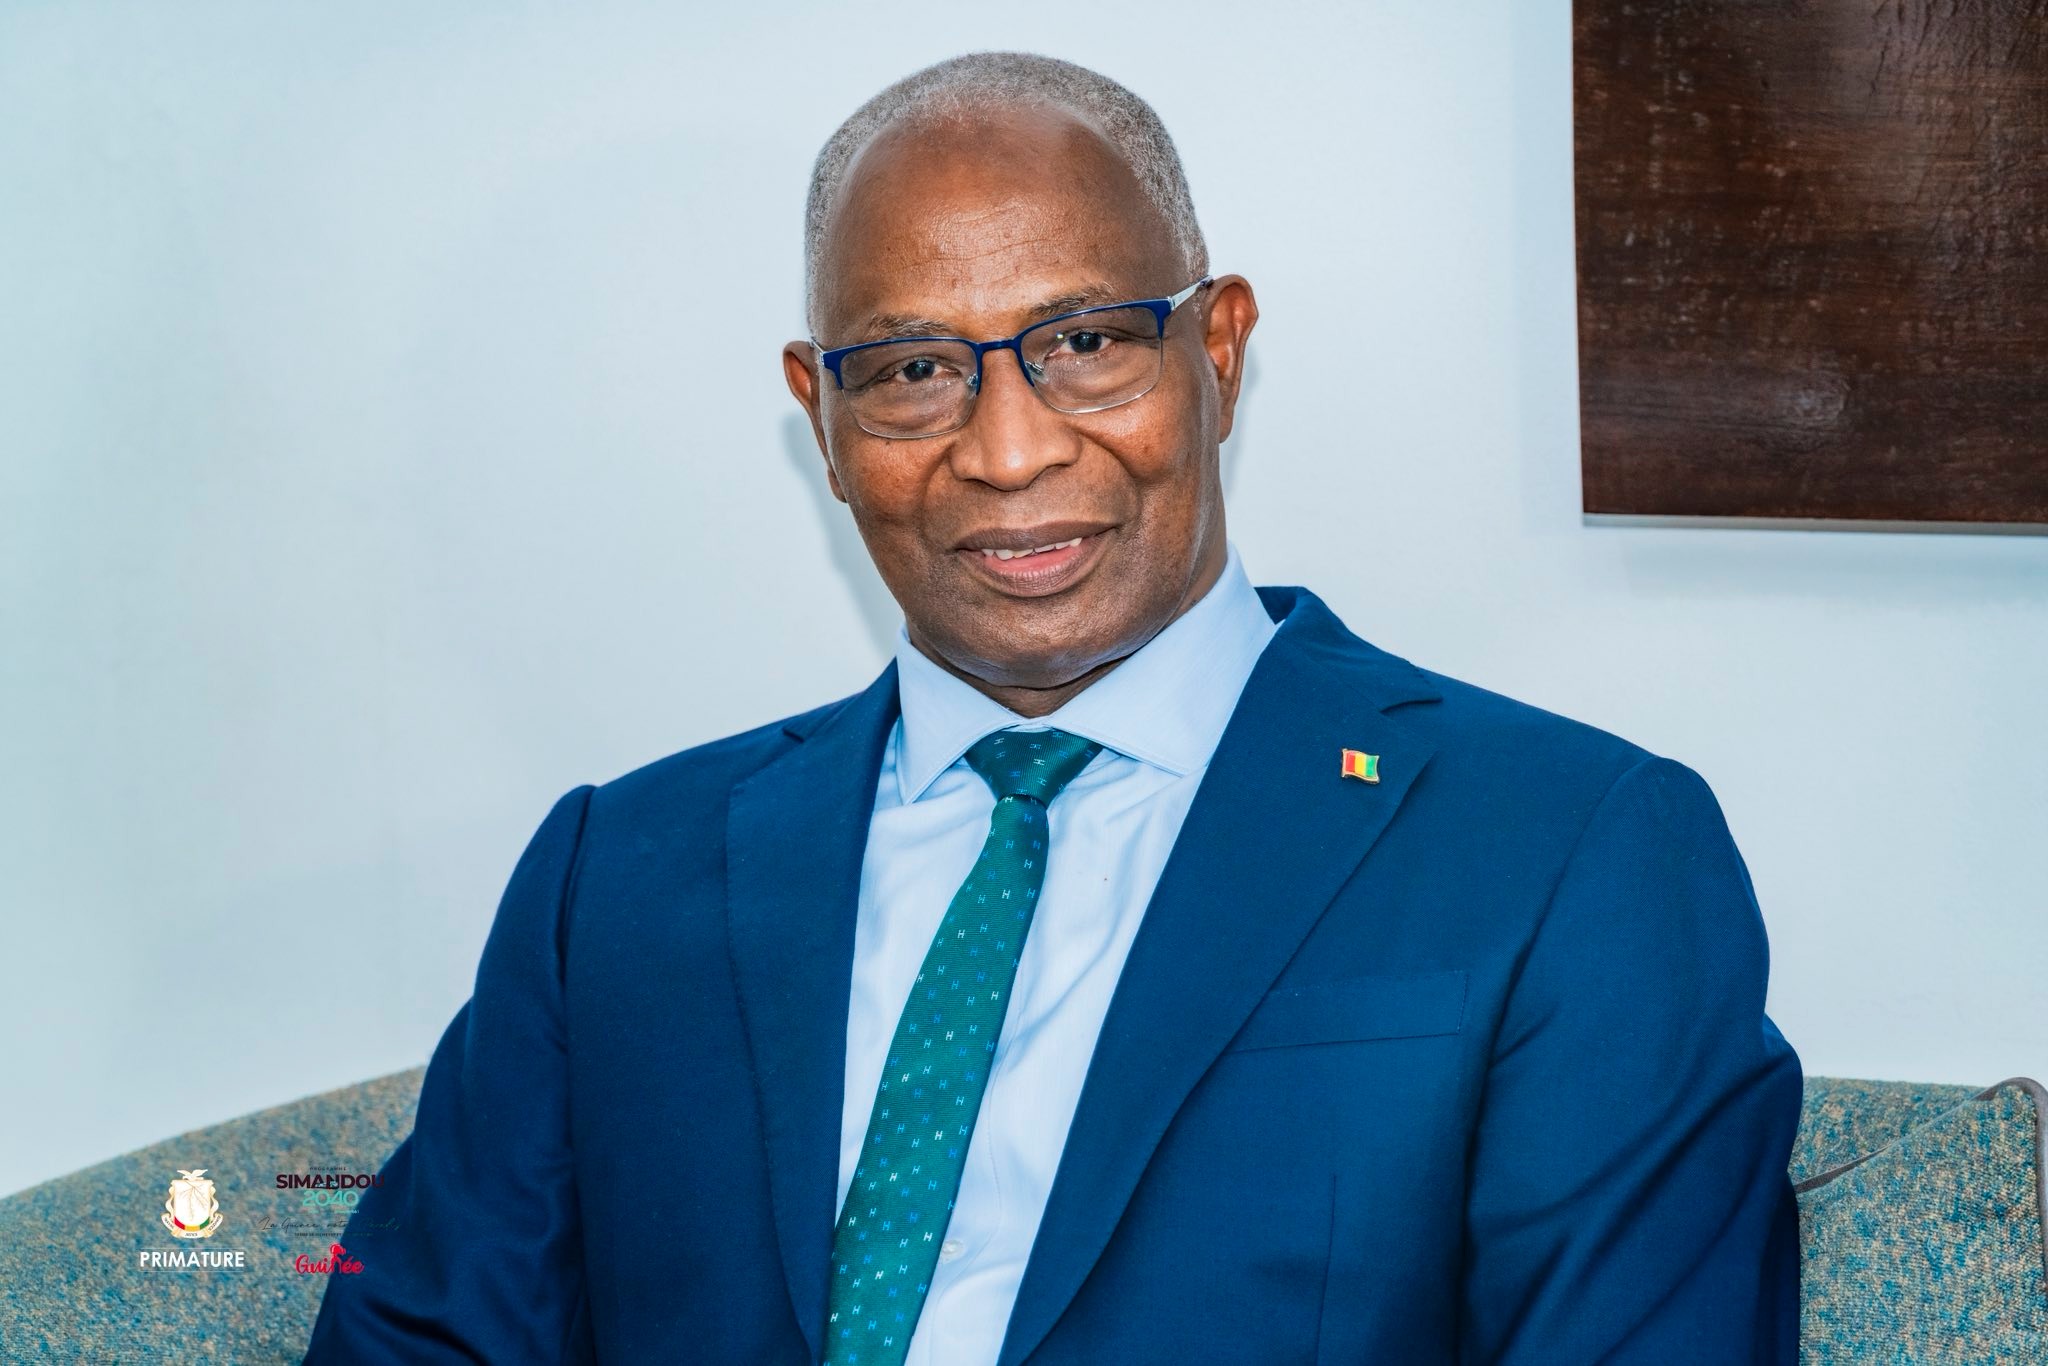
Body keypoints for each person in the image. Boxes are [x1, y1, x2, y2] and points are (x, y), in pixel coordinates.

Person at [304, 50, 1802, 1365]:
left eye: (1085, 343)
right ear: (821, 416)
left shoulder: (1567, 852)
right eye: (913, 369)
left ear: (1218, 350)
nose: (1009, 451)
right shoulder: (616, 878)